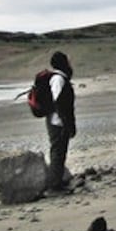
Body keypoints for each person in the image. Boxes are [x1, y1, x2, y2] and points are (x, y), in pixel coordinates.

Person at [46, 51, 76, 194]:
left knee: (60, 152)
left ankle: (57, 182)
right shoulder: (58, 79)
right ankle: (54, 186)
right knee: (57, 152)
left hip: (59, 121)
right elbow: (58, 102)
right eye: (68, 61)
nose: (70, 64)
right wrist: (67, 123)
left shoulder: (60, 78)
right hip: (57, 122)